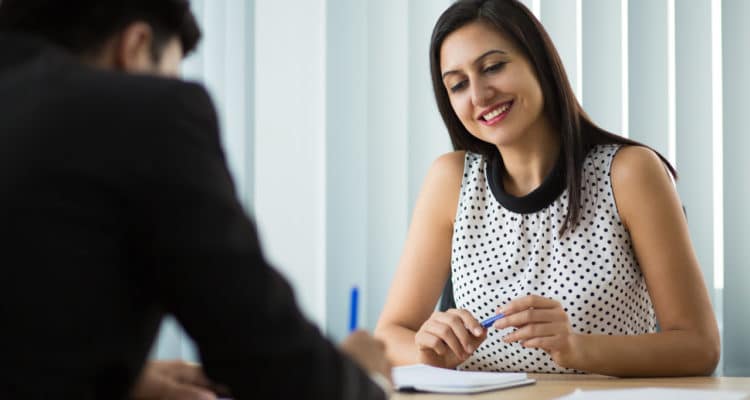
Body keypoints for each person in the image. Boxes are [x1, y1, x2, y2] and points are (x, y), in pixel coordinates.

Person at [0, 0, 390, 398]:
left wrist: (127, 380)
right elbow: (262, 355)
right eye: (168, 73)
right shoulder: (147, 113)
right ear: (135, 46)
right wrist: (364, 377)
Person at [375, 0, 720, 376]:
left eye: (493, 67)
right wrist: (427, 351)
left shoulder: (629, 173)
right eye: (457, 85)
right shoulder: (450, 181)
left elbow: (698, 346)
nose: (478, 95)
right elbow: (390, 336)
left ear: (538, 62)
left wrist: (577, 347)